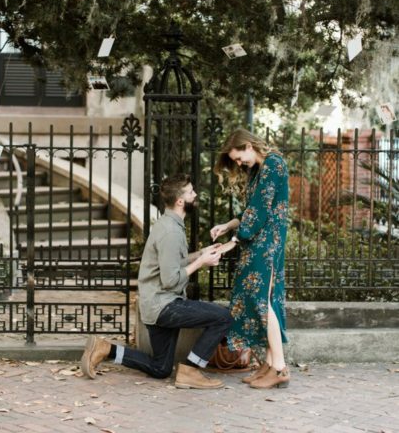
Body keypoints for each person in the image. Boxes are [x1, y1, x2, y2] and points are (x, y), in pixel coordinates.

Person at [81, 173, 233, 389]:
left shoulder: (168, 224)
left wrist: (202, 253)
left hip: (155, 303)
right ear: (181, 201)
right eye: (191, 192)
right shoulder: (171, 231)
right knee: (223, 317)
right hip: (165, 305)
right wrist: (201, 263)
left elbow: (172, 263)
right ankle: (190, 370)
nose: (195, 194)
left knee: (160, 368)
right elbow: (171, 280)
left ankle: (106, 349)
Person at [210, 128, 290, 389]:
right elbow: (249, 211)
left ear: (248, 145)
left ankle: (279, 368)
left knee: (262, 303)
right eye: (235, 160)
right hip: (260, 241)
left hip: (266, 243)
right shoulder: (260, 169)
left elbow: (258, 212)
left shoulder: (273, 165)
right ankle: (268, 364)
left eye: (238, 157)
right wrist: (228, 225)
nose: (239, 163)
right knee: (265, 301)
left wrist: (234, 241)